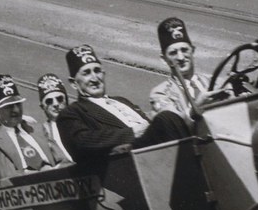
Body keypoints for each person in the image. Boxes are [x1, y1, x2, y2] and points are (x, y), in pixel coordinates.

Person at [55, 45, 189, 166]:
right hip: (126, 161)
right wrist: (132, 133)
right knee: (166, 118)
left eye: (97, 71)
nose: (95, 78)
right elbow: (81, 142)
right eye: (86, 73)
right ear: (73, 83)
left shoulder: (122, 101)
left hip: (151, 150)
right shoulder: (72, 113)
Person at [0, 74, 62, 177]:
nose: (16, 110)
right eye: (9, 106)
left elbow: (61, 158)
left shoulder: (37, 128)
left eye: (18, 104)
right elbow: (8, 175)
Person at [149, 17, 212, 122]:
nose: (181, 57)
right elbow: (172, 125)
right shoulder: (160, 93)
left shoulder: (215, 82)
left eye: (184, 50)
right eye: (173, 53)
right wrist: (195, 108)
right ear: (164, 59)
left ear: (193, 51)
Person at [31, 74, 74, 164]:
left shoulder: (80, 120)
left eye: (59, 99)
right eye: (49, 101)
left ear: (66, 100)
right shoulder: (43, 133)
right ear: (42, 106)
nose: (55, 104)